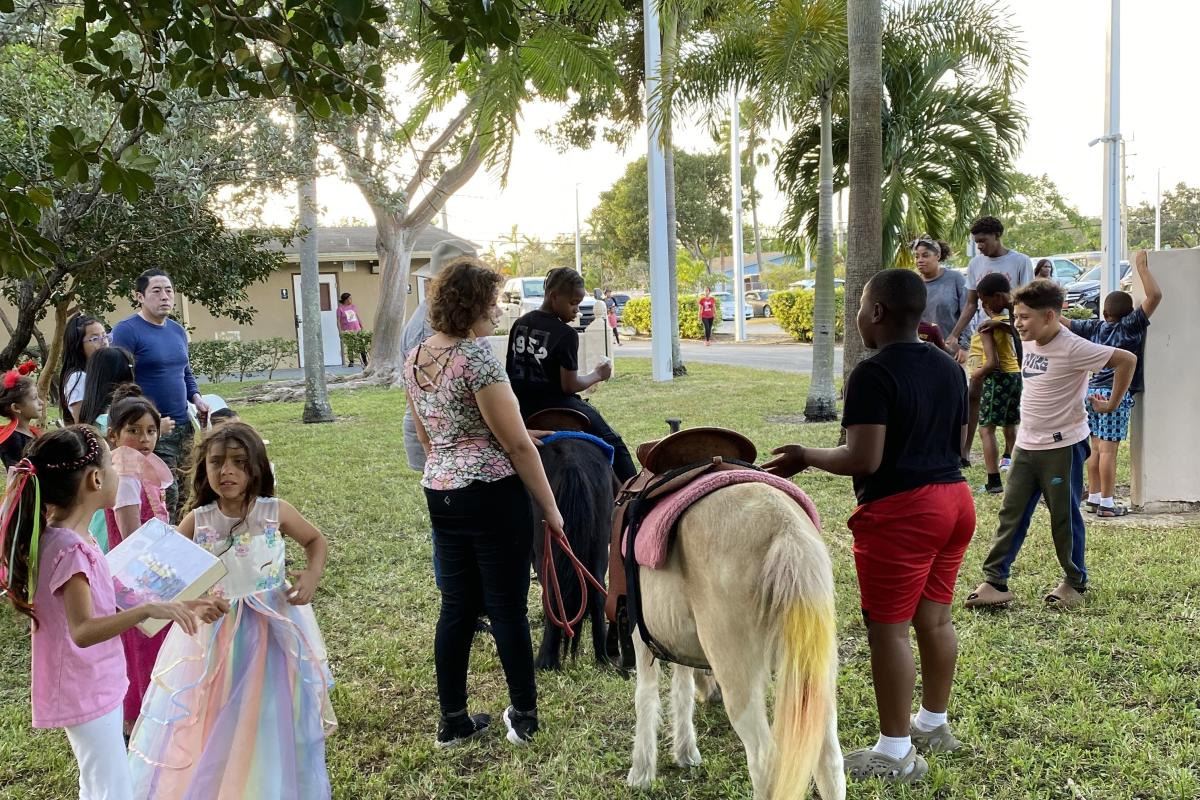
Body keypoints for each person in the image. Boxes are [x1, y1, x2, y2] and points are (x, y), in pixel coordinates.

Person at [765, 268, 973, 784]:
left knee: (888, 632)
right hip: (956, 503)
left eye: (858, 307)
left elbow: (864, 458)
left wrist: (804, 455)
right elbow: (961, 443)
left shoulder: (871, 373)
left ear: (876, 313)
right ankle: (934, 724)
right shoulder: (948, 366)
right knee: (937, 620)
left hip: (904, 514)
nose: (855, 316)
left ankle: (895, 752)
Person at [0, 427, 218, 800]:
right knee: (112, 786)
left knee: (100, 780)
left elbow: (109, 597)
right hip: (86, 687)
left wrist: (180, 602)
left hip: (95, 682)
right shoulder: (71, 550)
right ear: (95, 479)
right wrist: (147, 610)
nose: (121, 473)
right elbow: (82, 630)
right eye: (113, 465)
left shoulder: (67, 539)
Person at [406, 257, 566, 747]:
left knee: (455, 608)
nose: (498, 311)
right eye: (493, 302)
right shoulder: (476, 358)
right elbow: (518, 446)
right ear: (472, 304)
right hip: (492, 495)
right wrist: (552, 510)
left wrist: (453, 466)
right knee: (507, 610)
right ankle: (524, 715)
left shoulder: (414, 358)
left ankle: (452, 720)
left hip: (442, 491)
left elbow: (428, 433)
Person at [128, 423, 334, 798]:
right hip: (216, 634)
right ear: (203, 468)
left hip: (273, 630)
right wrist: (193, 601)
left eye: (239, 463)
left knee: (270, 708)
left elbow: (315, 540)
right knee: (215, 708)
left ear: (257, 466)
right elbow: (166, 572)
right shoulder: (199, 520)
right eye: (217, 462)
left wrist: (312, 575)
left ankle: (270, 782)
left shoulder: (275, 511)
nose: (227, 472)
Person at [966, 279, 1136, 611]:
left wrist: (1113, 403)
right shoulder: (1030, 336)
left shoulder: (1074, 347)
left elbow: (1126, 360)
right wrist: (1002, 321)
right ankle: (995, 581)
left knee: (1063, 516)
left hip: (1062, 446)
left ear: (1049, 317)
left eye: (1024, 317)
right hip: (1027, 445)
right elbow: (1020, 324)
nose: (1018, 324)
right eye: (1016, 316)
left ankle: (1075, 583)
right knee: (1010, 513)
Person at [506, 267, 638, 482]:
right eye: (573, 303)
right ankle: (636, 497)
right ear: (554, 296)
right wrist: (598, 374)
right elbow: (569, 386)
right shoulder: (566, 334)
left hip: (521, 406)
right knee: (614, 442)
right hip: (558, 403)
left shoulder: (520, 323)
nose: (576, 310)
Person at [1067, 249, 1162, 517]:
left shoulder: (1095, 328)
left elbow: (1063, 322)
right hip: (1114, 395)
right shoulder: (1130, 326)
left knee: (1095, 448)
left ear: (1105, 311)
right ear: (1128, 311)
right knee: (1109, 451)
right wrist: (1141, 267)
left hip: (1092, 390)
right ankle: (1108, 503)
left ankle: (1095, 497)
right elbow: (1155, 296)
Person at [103, 387, 175, 733]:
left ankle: (146, 716)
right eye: (133, 431)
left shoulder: (136, 467)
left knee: (148, 646)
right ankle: (141, 720)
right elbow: (131, 535)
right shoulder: (127, 471)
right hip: (138, 576)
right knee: (144, 648)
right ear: (113, 434)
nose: (144, 439)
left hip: (149, 569)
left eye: (151, 430)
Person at [111, 269, 209, 522]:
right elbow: (122, 384)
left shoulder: (177, 330)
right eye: (156, 291)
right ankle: (166, 547)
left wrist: (196, 397)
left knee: (189, 488)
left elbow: (185, 371)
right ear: (139, 296)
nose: (165, 296)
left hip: (183, 424)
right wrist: (151, 424)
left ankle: (184, 541)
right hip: (153, 430)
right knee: (166, 493)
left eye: (169, 290)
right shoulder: (127, 331)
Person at [946, 217, 1034, 359]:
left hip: (1012, 332)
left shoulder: (1021, 261)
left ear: (997, 235)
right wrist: (954, 335)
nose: (979, 246)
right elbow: (971, 303)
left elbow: (1026, 302)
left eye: (983, 240)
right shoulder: (975, 263)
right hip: (985, 331)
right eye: (977, 242)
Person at [967, 274, 1022, 494]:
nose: (982, 305)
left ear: (998, 298)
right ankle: (1018, 475)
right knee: (1010, 425)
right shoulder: (1009, 319)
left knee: (986, 429)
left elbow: (992, 362)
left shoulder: (989, 326)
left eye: (985, 300)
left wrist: (976, 374)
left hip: (998, 378)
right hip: (1014, 375)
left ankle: (993, 481)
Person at [913, 236, 968, 356]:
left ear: (937, 256)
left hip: (952, 352)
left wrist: (964, 346)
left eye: (925, 255)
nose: (920, 260)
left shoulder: (955, 279)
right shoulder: (914, 283)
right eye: (917, 256)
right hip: (922, 352)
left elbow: (967, 312)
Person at [58, 314, 108, 423]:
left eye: (104, 336)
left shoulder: (98, 373)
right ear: (78, 346)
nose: (103, 342)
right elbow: (83, 424)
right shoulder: (78, 378)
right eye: (95, 338)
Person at [0, 362, 42, 469]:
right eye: (34, 398)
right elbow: (20, 477)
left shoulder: (31, 432)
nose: (41, 402)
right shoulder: (12, 440)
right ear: (16, 408)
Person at [337, 292, 368, 366]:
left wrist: (361, 325)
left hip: (357, 328)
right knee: (350, 345)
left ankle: (365, 361)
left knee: (361, 344)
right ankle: (351, 361)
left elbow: (357, 316)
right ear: (345, 299)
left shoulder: (353, 307)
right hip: (348, 330)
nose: (351, 299)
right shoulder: (340, 309)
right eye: (349, 298)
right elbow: (338, 320)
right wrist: (340, 331)